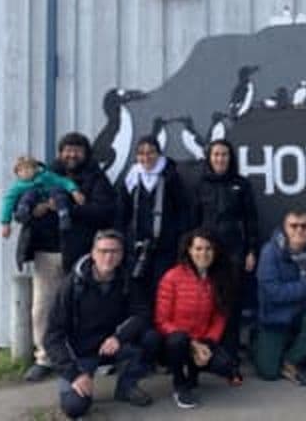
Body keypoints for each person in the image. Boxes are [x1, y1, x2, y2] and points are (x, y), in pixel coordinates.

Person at [13, 132, 117, 382]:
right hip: (47, 252)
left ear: (86, 153)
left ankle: (89, 357)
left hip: (82, 254)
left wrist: (71, 208)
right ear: (60, 153)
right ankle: (44, 358)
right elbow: (18, 207)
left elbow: (105, 212)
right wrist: (34, 210)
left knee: (87, 309)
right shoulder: (42, 176)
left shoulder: (97, 178)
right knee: (43, 307)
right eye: (67, 149)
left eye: (77, 150)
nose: (72, 154)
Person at [44, 230, 154, 419]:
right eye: (103, 251)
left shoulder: (127, 279)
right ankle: (81, 382)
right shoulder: (72, 285)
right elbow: (52, 336)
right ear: (93, 253)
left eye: (114, 252)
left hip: (111, 347)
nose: (108, 257)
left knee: (152, 338)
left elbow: (142, 314)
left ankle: (126, 387)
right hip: (81, 353)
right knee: (75, 407)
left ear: (122, 254)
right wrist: (74, 374)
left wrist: (119, 337)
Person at [192, 139, 259, 381]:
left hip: (234, 253)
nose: (220, 159)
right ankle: (200, 356)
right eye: (216, 154)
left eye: (224, 155)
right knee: (204, 303)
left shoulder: (241, 184)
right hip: (205, 254)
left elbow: (251, 220)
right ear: (209, 158)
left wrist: (251, 250)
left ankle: (230, 359)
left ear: (230, 158)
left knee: (231, 306)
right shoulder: (200, 185)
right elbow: (193, 221)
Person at [155, 229, 238, 409]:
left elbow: (219, 317)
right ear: (189, 250)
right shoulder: (172, 277)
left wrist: (208, 343)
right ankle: (179, 383)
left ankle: (193, 372)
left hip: (203, 339)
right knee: (178, 341)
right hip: (175, 341)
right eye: (198, 248)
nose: (203, 254)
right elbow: (162, 320)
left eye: (208, 249)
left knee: (225, 366)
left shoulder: (219, 277)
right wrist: (193, 344)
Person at [254, 208, 306, 385]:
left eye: (304, 226)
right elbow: (273, 292)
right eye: (293, 226)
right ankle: (258, 342)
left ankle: (290, 361)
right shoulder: (270, 252)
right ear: (285, 228)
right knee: (268, 372)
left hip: (303, 310)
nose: (299, 230)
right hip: (275, 315)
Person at [117, 135, 191, 299]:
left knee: (161, 287)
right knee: (137, 287)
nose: (146, 157)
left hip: (165, 246)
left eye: (151, 152)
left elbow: (182, 209)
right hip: (137, 244)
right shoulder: (132, 177)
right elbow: (123, 211)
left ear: (158, 154)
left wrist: (180, 239)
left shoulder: (170, 176)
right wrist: (122, 236)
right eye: (141, 153)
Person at [0, 155, 84, 236]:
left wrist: (74, 191)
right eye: (20, 170)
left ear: (35, 169)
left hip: (51, 201)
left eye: (28, 168)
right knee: (30, 193)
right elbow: (8, 202)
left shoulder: (46, 176)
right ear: (17, 174)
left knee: (57, 190)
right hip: (34, 209)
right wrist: (6, 223)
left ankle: (64, 214)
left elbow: (63, 181)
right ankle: (23, 211)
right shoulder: (17, 186)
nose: (25, 172)